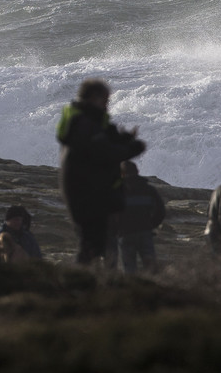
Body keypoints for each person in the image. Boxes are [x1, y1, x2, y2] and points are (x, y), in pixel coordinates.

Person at [56, 78, 145, 266]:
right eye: (105, 100)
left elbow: (105, 139)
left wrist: (125, 139)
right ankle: (80, 288)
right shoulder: (84, 123)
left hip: (89, 193)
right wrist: (132, 149)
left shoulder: (88, 120)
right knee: (91, 248)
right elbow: (103, 152)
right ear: (94, 98)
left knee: (96, 247)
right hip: (86, 195)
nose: (107, 104)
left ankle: (88, 286)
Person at [114, 159, 165, 274]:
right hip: (145, 232)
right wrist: (150, 225)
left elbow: (110, 214)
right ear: (137, 171)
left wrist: (116, 229)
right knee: (151, 269)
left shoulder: (117, 191)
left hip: (125, 234)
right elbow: (161, 211)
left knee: (129, 270)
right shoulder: (149, 189)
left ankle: (133, 290)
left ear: (121, 174)